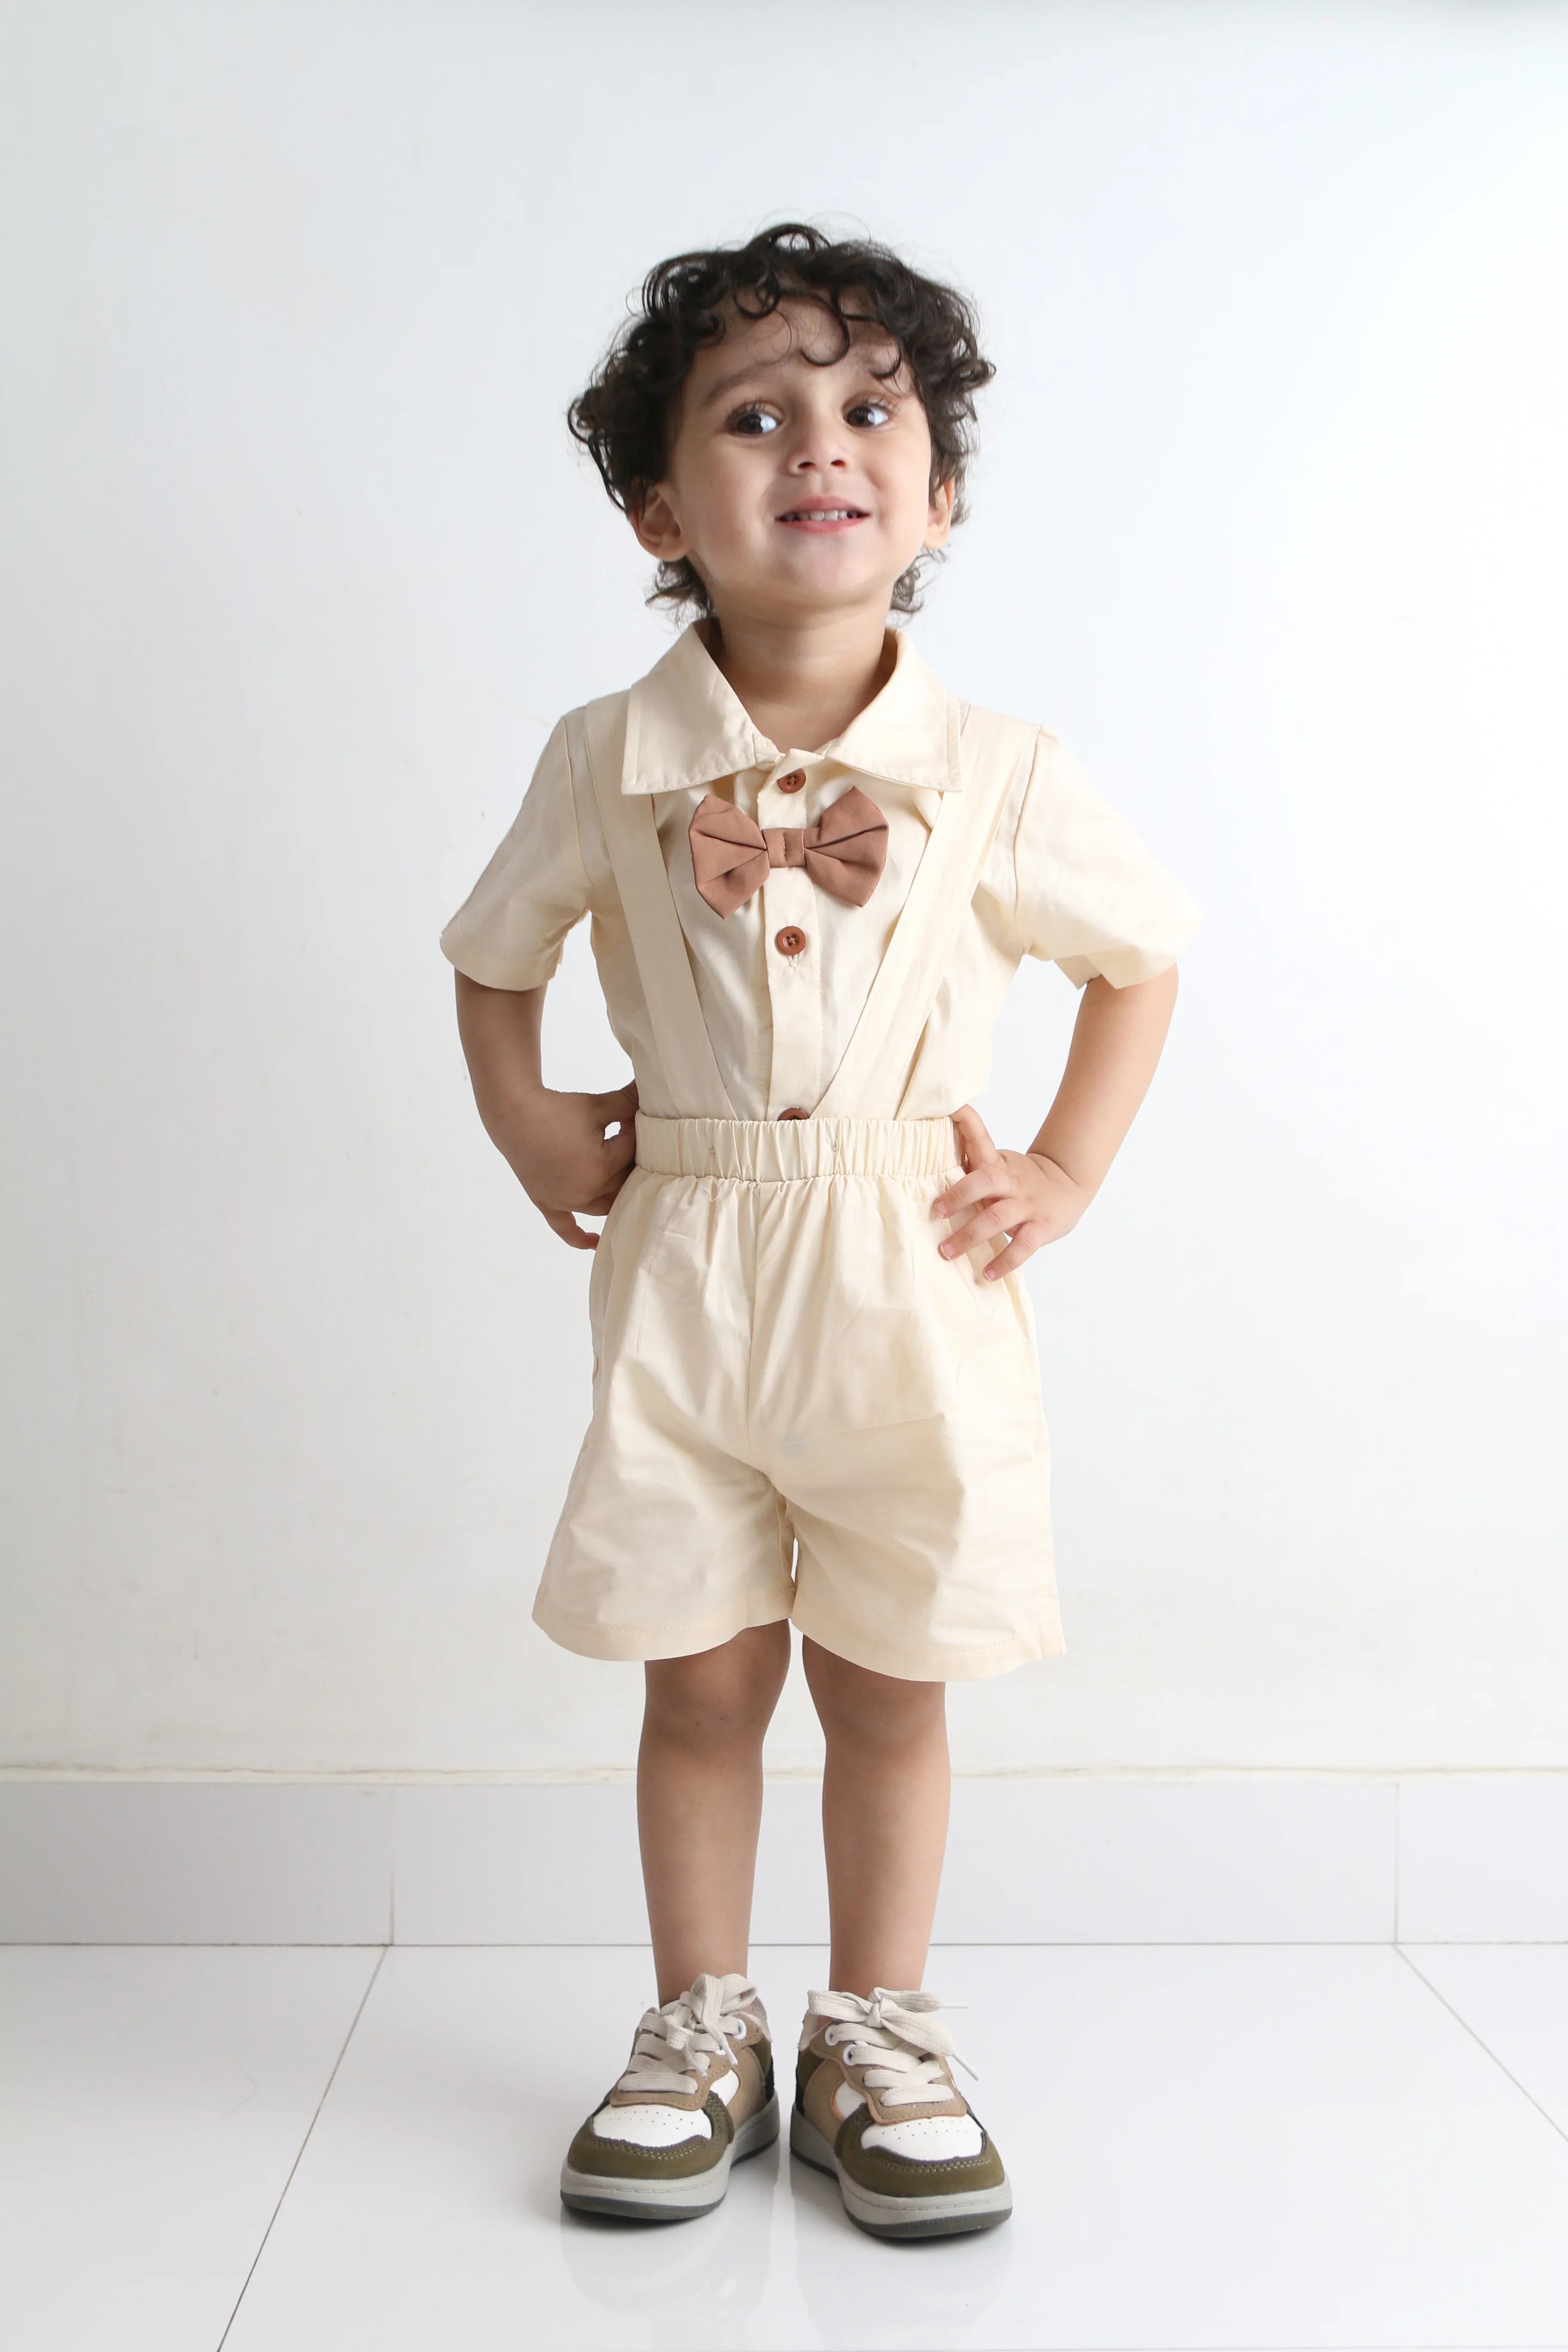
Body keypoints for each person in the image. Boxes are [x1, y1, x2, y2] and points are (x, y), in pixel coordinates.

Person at [442, 223, 1200, 2240]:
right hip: (688, 1273)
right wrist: (530, 1118)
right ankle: (703, 2022)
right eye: (756, 417)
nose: (820, 447)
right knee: (700, 1682)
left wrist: (1065, 1169)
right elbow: (493, 956)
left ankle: (880, 2027)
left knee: (887, 1680)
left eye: (871, 411)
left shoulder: (1001, 775)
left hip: (912, 1279)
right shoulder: (606, 761)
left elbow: (1140, 958)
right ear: (656, 509)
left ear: (936, 497)